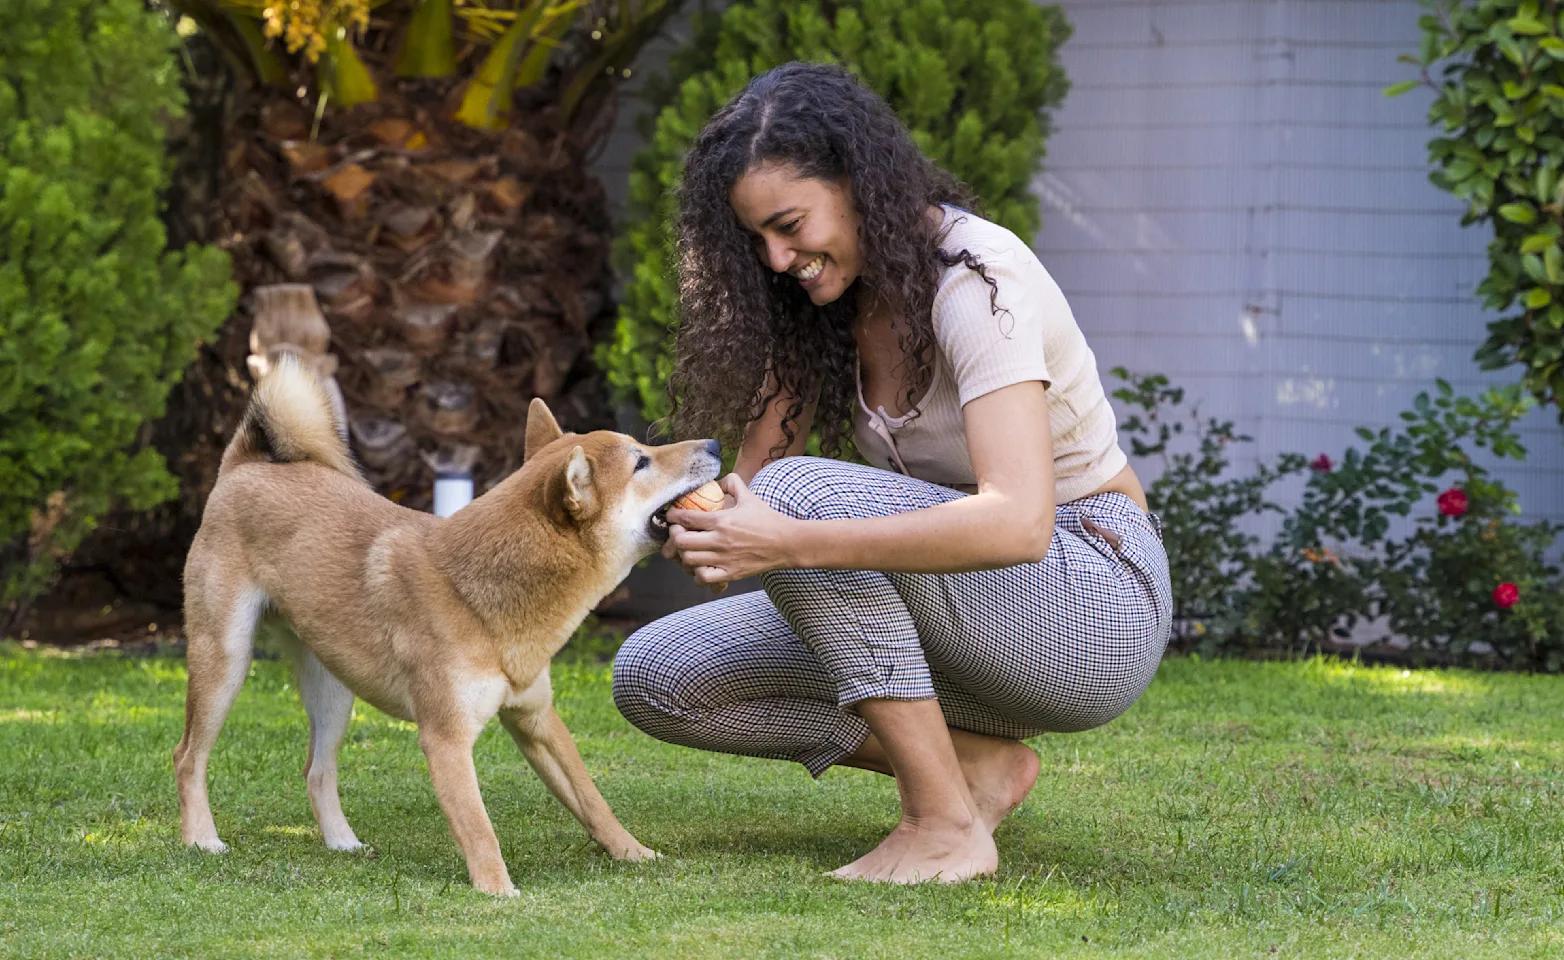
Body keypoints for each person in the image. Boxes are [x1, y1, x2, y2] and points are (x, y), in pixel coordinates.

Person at [611, 62, 1172, 884]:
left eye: (790, 224)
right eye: (756, 239)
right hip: (967, 628)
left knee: (802, 502)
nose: (775, 258)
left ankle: (942, 823)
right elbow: (752, 491)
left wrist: (789, 536)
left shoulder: (977, 280)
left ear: (856, 179)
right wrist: (703, 523)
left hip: (1094, 602)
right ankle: (977, 769)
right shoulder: (826, 306)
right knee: (658, 677)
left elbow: (1019, 521)